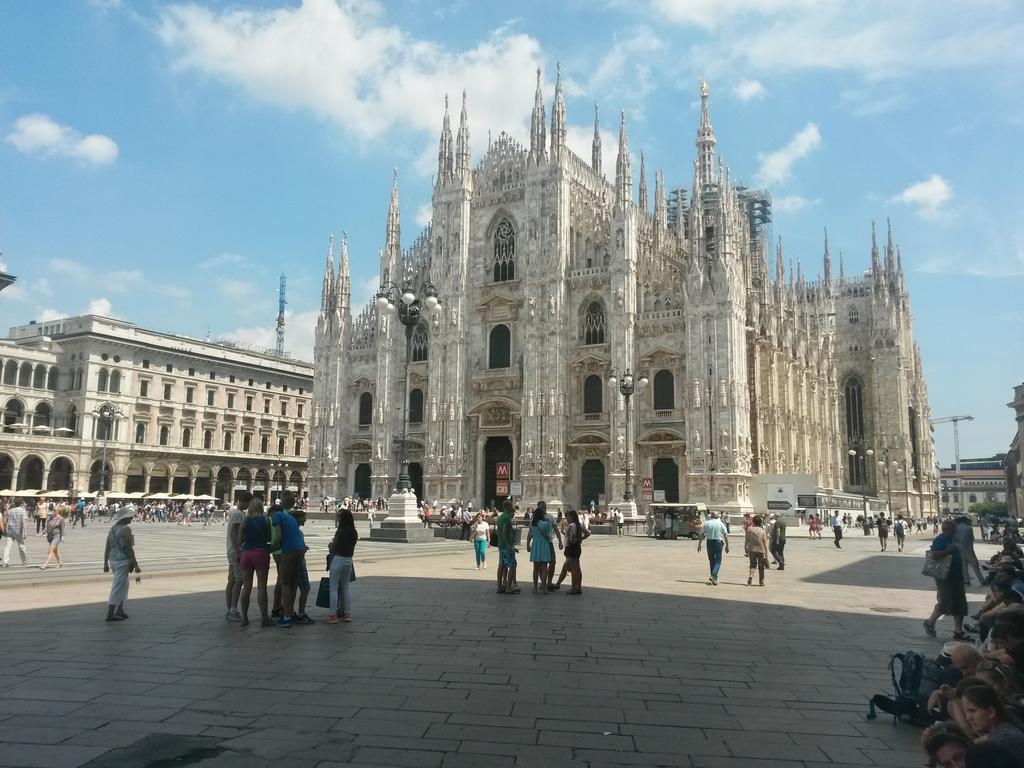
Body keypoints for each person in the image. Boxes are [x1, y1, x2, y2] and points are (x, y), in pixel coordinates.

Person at [924, 519, 970, 640]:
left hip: (957, 576)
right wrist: (948, 550)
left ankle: (958, 631)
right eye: (954, 530)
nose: (956, 532)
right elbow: (933, 555)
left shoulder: (952, 539)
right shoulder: (940, 540)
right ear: (946, 529)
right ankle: (930, 622)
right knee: (945, 603)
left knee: (961, 603)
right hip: (945, 577)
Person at [268, 493, 305, 628]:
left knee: (284, 582)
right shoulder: (289, 516)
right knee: (292, 582)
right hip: (300, 550)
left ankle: (287, 616)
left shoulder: (277, 516)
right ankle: (290, 613)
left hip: (290, 550)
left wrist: (269, 548)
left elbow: (278, 537)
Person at [238, 497, 273, 628]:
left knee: (246, 587)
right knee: (261, 587)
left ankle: (244, 618)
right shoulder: (266, 520)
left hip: (246, 554)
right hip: (261, 553)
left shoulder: (245, 521)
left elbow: (239, 539)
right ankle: (264, 618)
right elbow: (269, 537)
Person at [957, 683, 1024, 750]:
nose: (968, 718)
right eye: (965, 713)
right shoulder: (1005, 729)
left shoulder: (998, 741)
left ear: (991, 712)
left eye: (972, 711)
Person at [103, 508, 140, 622]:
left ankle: (120, 609)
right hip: (122, 561)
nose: (132, 518)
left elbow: (107, 546)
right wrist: (135, 564)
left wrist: (105, 563)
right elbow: (129, 548)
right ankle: (110, 612)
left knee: (124, 584)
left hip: (113, 560)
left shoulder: (112, 529)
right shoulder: (126, 529)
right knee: (118, 586)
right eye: (130, 516)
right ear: (125, 518)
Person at [324, 508, 358, 624]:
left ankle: (333, 615)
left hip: (338, 559)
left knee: (333, 588)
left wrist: (331, 545)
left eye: (339, 517)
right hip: (349, 560)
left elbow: (334, 547)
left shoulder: (340, 531)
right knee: (346, 587)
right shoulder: (354, 532)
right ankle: (347, 614)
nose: (338, 519)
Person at [224, 491, 250, 622]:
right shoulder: (238, 514)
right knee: (239, 580)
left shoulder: (236, 513)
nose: (248, 506)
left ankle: (229, 609)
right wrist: (238, 550)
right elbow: (234, 534)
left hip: (232, 550)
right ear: (243, 501)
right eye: (247, 503)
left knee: (232, 580)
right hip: (236, 551)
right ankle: (233, 610)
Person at [526, 506, 555, 594]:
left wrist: (528, 545)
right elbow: (548, 533)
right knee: (544, 567)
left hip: (535, 545)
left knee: (535, 568)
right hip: (544, 545)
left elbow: (530, 535)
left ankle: (535, 587)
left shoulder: (532, 523)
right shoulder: (546, 523)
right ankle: (543, 587)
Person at [697, 510, 729, 585]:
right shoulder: (720, 523)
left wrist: (699, 544)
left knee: (711, 560)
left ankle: (714, 578)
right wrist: (727, 546)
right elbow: (725, 535)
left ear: (711, 516)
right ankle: (713, 575)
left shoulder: (706, 523)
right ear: (718, 516)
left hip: (709, 542)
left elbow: (702, 535)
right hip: (718, 543)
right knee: (718, 560)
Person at [496, 500, 518, 594]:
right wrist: (509, 545)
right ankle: (509, 587)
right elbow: (504, 531)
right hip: (506, 546)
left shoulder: (500, 517)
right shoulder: (506, 518)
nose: (513, 507)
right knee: (512, 565)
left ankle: (499, 587)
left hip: (501, 545)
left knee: (501, 565)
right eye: (512, 506)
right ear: (508, 507)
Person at [955, 517, 985, 586]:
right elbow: (972, 538)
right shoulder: (969, 528)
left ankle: (967, 580)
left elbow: (954, 539)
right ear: (965, 521)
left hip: (960, 549)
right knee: (975, 565)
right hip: (969, 549)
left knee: (964, 566)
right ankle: (981, 580)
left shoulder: (956, 528)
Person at [1, 500, 29, 567]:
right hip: (18, 531)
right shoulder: (23, 511)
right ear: (21, 504)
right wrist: (25, 532)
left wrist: (4, 530)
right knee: (21, 546)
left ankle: (5, 562)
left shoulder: (10, 511)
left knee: (7, 547)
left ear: (14, 504)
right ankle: (24, 562)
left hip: (10, 531)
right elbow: (23, 522)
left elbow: (5, 521)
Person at [745, 515, 770, 587]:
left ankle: (751, 576)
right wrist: (766, 553)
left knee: (752, 565)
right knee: (761, 566)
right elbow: (764, 542)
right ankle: (761, 581)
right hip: (761, 550)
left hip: (752, 549)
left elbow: (747, 540)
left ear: (753, 522)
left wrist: (746, 548)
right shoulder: (762, 531)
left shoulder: (749, 529)